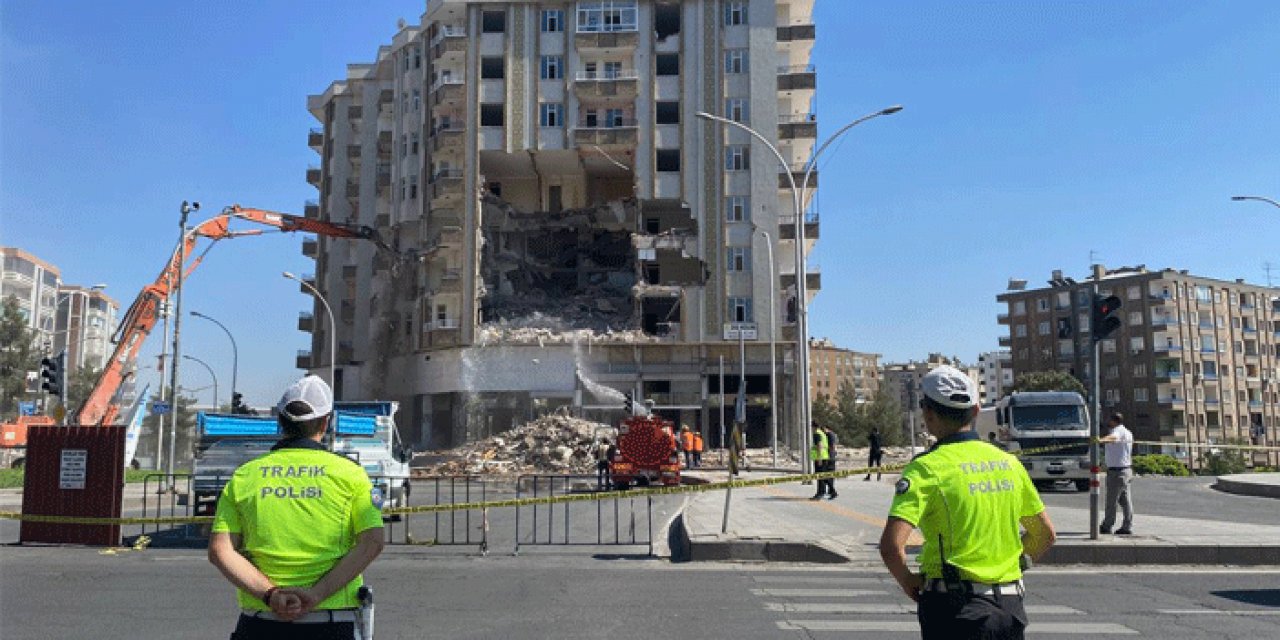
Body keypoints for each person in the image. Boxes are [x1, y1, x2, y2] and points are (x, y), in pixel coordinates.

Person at [879, 365, 1056, 640]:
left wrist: (908, 581)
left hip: (955, 609)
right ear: (975, 412)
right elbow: (1044, 534)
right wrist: (1015, 565)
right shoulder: (1008, 463)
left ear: (927, 413)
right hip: (1010, 607)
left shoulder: (926, 469)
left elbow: (891, 547)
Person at [208, 375, 385, 640]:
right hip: (331, 621)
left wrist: (272, 595)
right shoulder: (350, 474)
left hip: (260, 623)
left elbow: (220, 550)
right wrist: (316, 594)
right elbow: (372, 542)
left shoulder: (246, 476)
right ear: (326, 422)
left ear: (280, 421)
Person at [1098, 413, 1134, 535]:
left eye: (1109, 420)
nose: (1107, 422)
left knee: (1111, 500)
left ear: (1114, 421)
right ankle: (1127, 526)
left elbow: (1113, 438)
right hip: (1126, 470)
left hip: (1117, 472)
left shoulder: (1117, 431)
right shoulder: (1128, 432)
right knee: (1125, 500)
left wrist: (1100, 440)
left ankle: (1107, 525)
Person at [809, 424, 830, 500]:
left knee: (820, 476)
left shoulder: (817, 434)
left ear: (813, 427)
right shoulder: (821, 433)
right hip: (824, 457)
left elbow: (819, 446)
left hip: (820, 458)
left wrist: (819, 458)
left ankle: (820, 493)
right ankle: (822, 492)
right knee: (822, 476)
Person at [822, 425, 839, 500]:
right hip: (831, 456)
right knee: (829, 476)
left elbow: (831, 446)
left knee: (826, 476)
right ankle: (831, 491)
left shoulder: (829, 435)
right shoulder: (833, 435)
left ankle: (833, 491)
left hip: (829, 457)